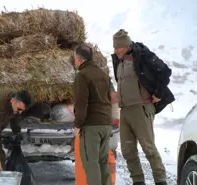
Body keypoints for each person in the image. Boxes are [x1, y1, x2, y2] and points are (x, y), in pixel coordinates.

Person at [111, 29, 175, 185]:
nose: (115, 50)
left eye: (117, 47)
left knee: (149, 149)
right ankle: (138, 182)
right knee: (127, 151)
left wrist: (158, 93)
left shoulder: (143, 56)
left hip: (141, 109)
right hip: (125, 111)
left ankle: (161, 182)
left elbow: (165, 72)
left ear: (126, 45)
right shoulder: (118, 60)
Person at [73, 43, 113, 185]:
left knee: (91, 163)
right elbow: (109, 99)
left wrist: (78, 124)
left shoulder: (82, 76)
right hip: (106, 124)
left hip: (91, 126)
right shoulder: (103, 74)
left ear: (79, 59)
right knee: (103, 162)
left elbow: (81, 103)